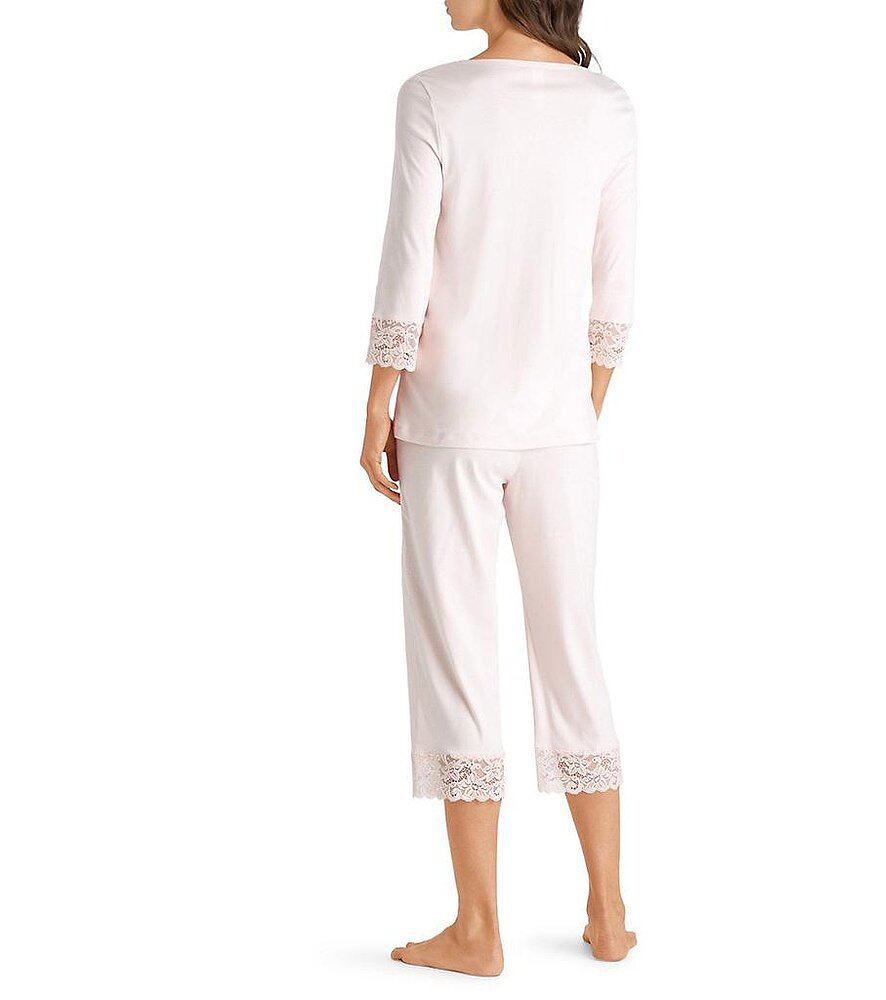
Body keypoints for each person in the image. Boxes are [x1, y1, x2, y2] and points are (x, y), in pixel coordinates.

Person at [360, 0, 637, 975]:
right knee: (572, 651)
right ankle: (609, 910)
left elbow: (408, 262)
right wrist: (574, 404)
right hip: (560, 426)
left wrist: (378, 404)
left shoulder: (434, 97)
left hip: (450, 421)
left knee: (457, 660)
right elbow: (614, 289)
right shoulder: (607, 105)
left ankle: (477, 929)